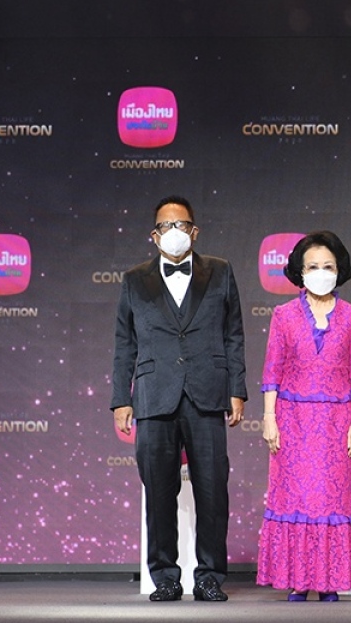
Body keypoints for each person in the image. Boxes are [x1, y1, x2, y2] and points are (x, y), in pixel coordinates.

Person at [111, 195, 247, 602]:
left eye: (181, 225)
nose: (174, 232)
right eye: (166, 226)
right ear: (154, 236)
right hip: (154, 396)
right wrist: (121, 399)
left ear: (194, 231)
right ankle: (165, 577)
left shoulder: (220, 271)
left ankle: (209, 577)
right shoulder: (134, 279)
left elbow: (234, 335)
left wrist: (236, 389)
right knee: (158, 491)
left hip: (207, 393)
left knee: (212, 490)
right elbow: (124, 344)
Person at [255, 231, 351, 602]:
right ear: (300, 272)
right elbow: (272, 369)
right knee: (295, 500)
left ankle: (328, 582)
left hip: (337, 422)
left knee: (331, 501)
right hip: (292, 421)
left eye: (328, 266)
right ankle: (299, 580)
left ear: (339, 270)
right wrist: (269, 417)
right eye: (313, 267)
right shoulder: (283, 315)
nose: (321, 273)